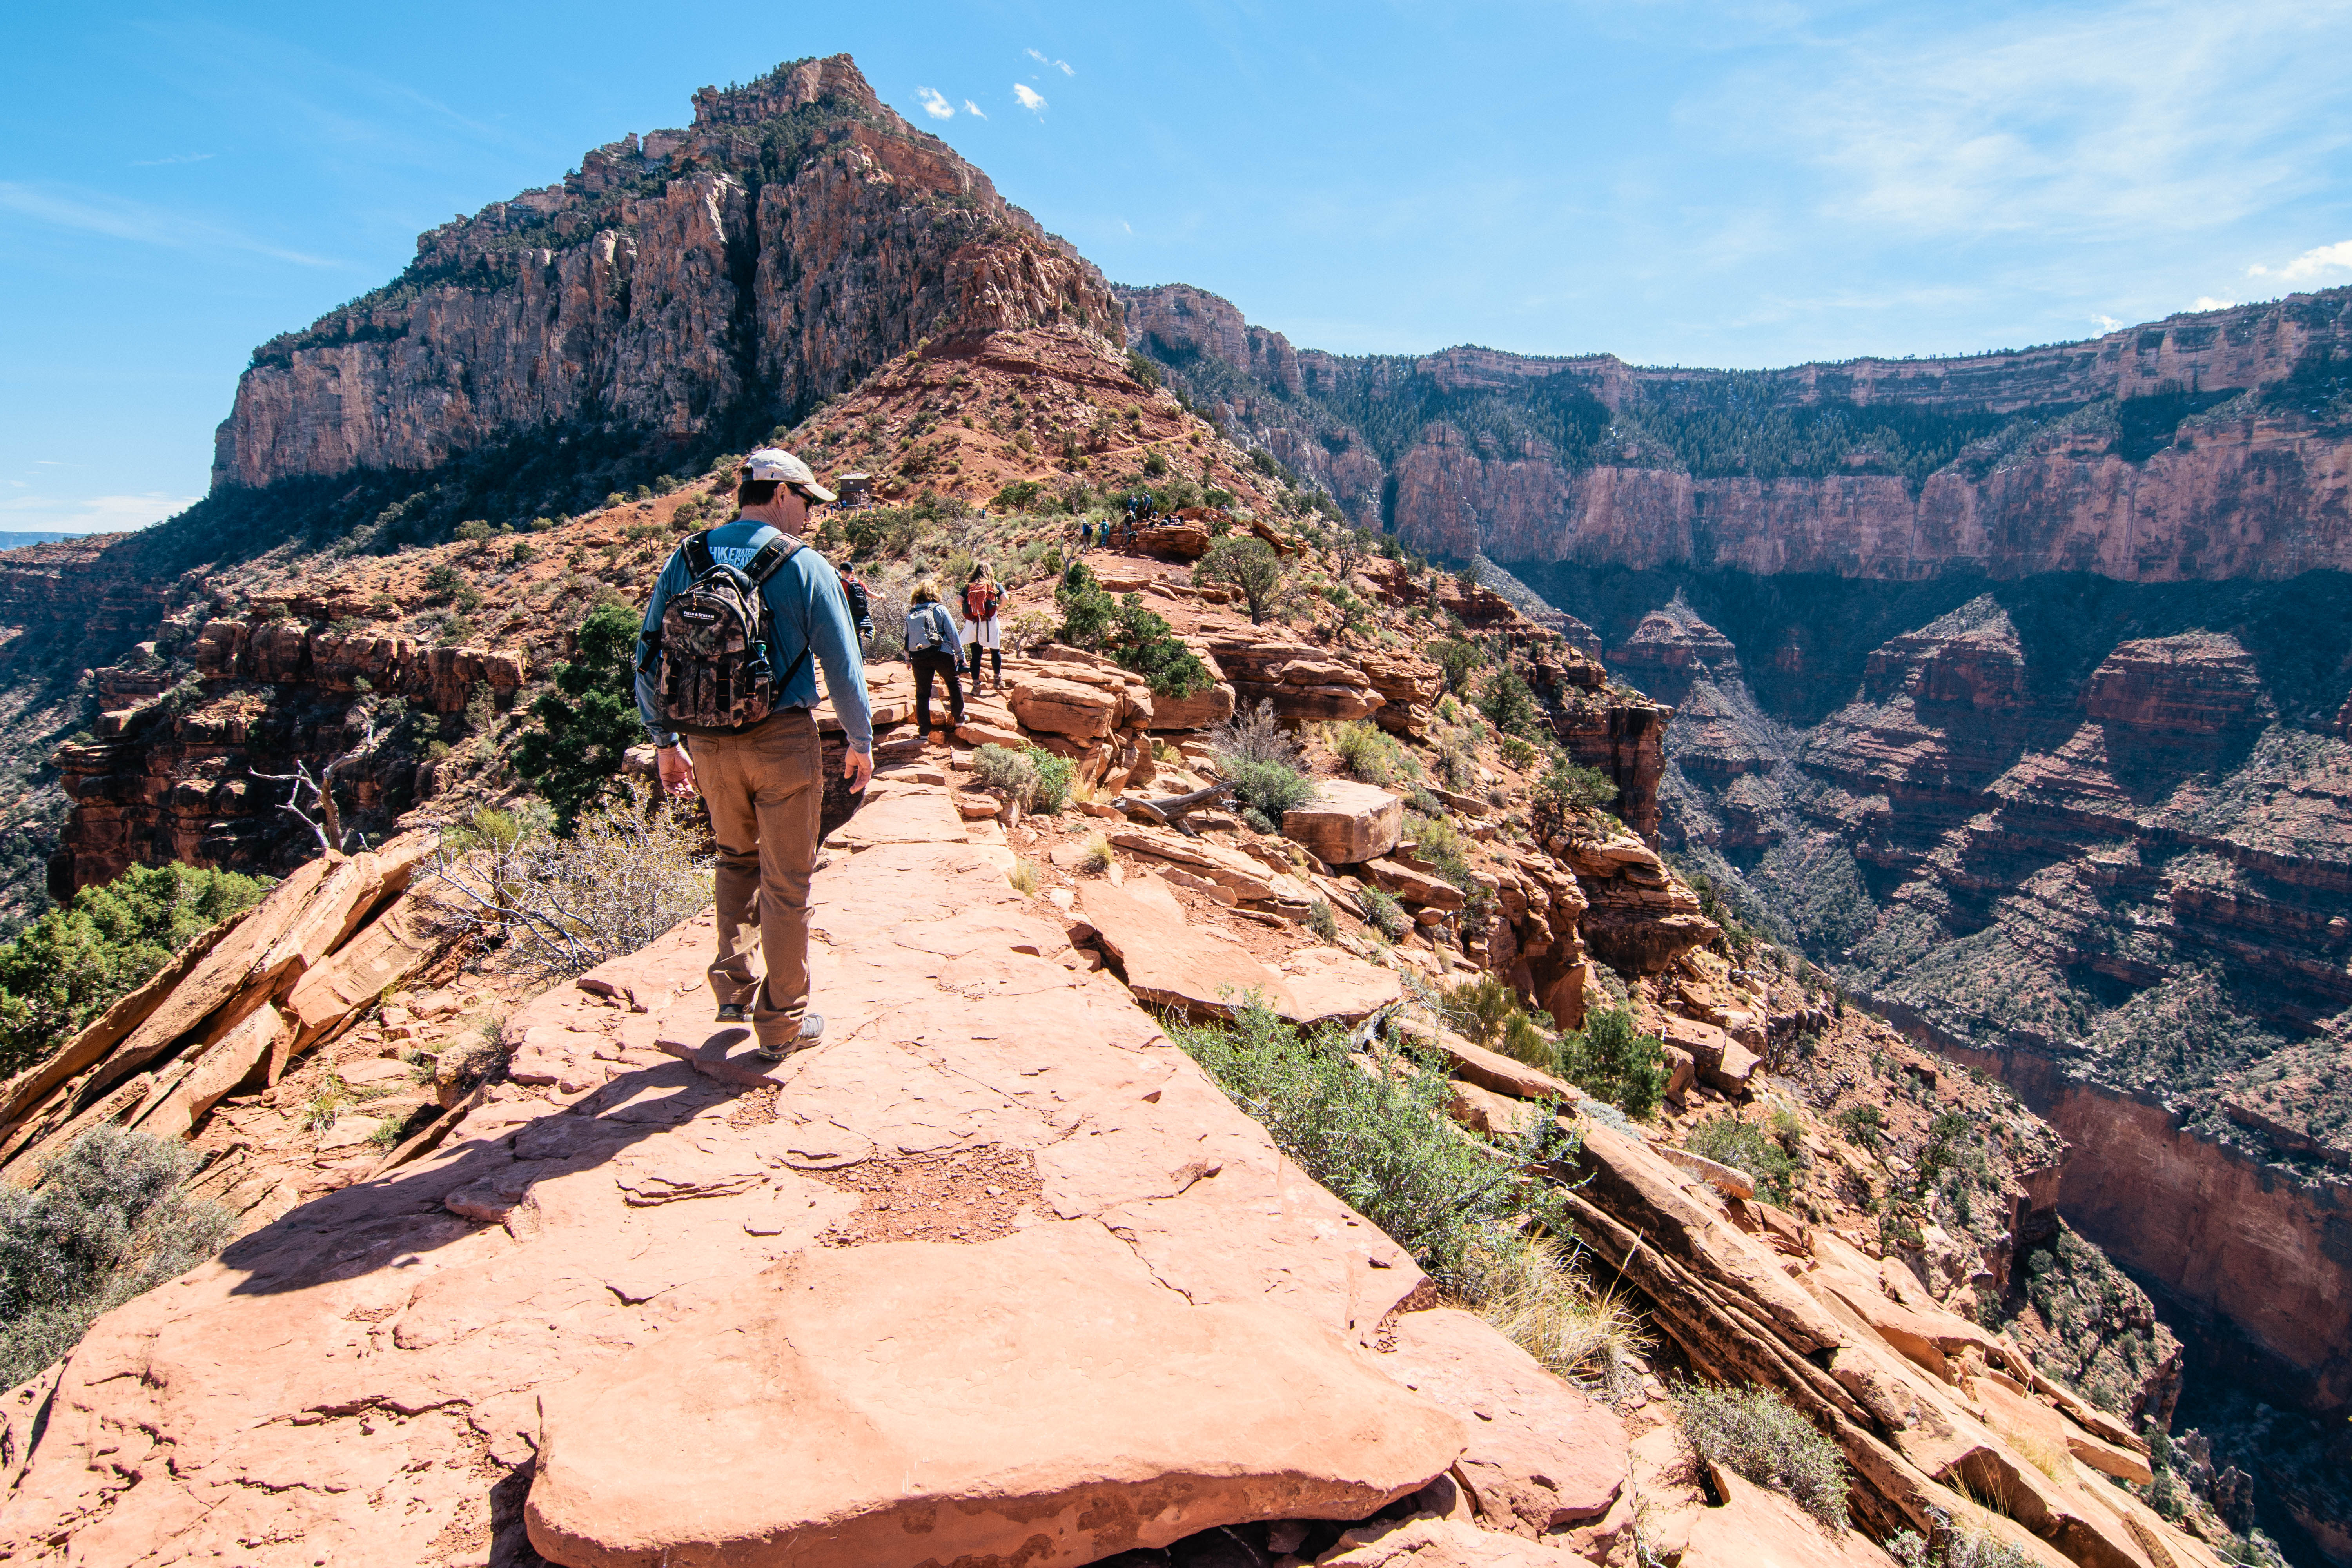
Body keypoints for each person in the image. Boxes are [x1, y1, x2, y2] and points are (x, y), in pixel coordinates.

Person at [637, 448, 871, 1062]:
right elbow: (844, 669)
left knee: (734, 858)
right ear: (781, 494)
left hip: (708, 745)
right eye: (807, 503)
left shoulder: (686, 557)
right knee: (787, 883)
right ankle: (782, 1022)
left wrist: (665, 743)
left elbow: (647, 658)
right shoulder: (805, 565)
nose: (810, 517)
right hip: (782, 741)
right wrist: (860, 741)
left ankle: (733, 990)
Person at [904, 578, 965, 742]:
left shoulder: (912, 613)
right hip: (942, 653)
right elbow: (952, 633)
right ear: (935, 593)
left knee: (922, 694)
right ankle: (959, 719)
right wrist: (960, 655)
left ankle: (924, 732)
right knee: (953, 684)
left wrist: (908, 659)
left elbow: (908, 638)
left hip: (919, 657)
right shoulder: (940, 609)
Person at [961, 563, 1004, 693]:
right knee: (995, 650)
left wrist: (969, 611)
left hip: (974, 622)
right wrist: (997, 610)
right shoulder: (994, 584)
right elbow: (1005, 598)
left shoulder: (969, 586)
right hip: (990, 622)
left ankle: (976, 686)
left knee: (976, 655)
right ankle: (997, 680)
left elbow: (958, 600)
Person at [838, 559, 875, 652]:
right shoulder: (858, 581)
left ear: (842, 571)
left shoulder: (841, 583)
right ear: (852, 571)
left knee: (848, 636)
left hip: (848, 614)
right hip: (861, 614)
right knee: (857, 635)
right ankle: (862, 657)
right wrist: (881, 597)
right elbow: (869, 593)